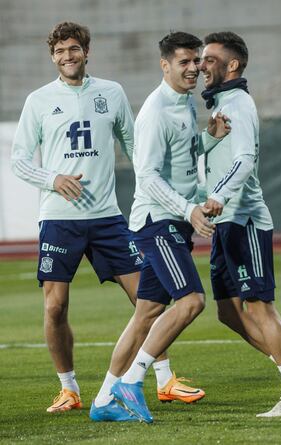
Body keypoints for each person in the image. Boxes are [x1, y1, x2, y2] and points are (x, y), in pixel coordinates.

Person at [11, 22, 203, 419]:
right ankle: (69, 389)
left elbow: (135, 144)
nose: (68, 56)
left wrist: (155, 187)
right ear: (53, 56)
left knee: (148, 297)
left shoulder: (111, 93)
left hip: (108, 217)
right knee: (55, 308)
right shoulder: (39, 100)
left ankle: (164, 379)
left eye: (75, 49)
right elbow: (18, 159)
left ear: (86, 52)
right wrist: (53, 178)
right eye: (61, 51)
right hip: (60, 218)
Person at [91, 31, 229, 424]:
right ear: (165, 64)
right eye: (184, 62)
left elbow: (182, 154)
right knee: (192, 301)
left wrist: (209, 138)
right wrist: (188, 210)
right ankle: (132, 381)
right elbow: (147, 175)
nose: (193, 69)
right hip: (158, 222)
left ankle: (103, 402)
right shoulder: (153, 111)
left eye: (196, 61)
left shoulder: (185, 102)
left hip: (173, 220)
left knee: (147, 313)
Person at [200, 31, 281, 417]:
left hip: (243, 218)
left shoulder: (238, 102)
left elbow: (245, 157)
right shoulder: (220, 103)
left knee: (259, 306)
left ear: (232, 65)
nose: (202, 66)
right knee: (227, 312)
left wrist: (217, 194)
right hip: (226, 222)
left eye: (210, 60)